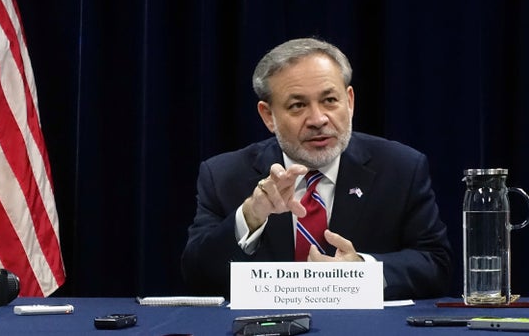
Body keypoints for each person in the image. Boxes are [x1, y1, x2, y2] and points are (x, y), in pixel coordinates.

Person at [181, 37, 452, 300]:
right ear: (268, 116)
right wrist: (250, 216)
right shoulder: (224, 175)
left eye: (329, 101)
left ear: (350, 101)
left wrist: (362, 271)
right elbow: (196, 275)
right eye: (298, 105)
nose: (318, 119)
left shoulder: (401, 168)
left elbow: (436, 264)